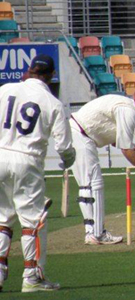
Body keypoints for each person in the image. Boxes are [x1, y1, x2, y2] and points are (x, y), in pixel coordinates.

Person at [0, 54, 76, 292]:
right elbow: (64, 147)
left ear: (30, 69)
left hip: (0, 154)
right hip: (28, 159)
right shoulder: (52, 102)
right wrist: (68, 161)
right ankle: (32, 276)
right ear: (51, 75)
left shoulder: (6, 89)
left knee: (2, 219)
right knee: (31, 221)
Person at [70, 95, 135, 245]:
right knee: (93, 184)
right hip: (81, 134)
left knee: (88, 184)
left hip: (79, 133)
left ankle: (92, 233)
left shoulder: (128, 108)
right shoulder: (129, 110)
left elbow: (117, 140)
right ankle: (96, 234)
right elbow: (125, 149)